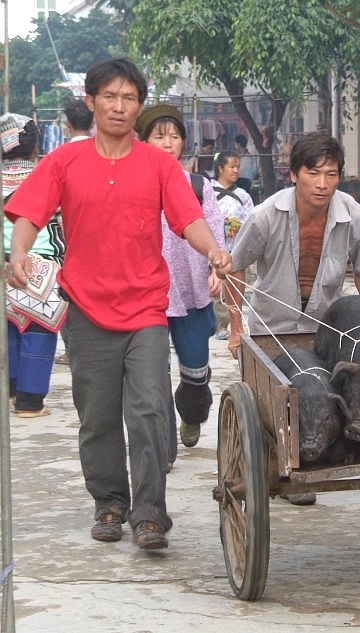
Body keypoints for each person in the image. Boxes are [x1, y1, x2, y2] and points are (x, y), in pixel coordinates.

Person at [5, 58, 231, 551]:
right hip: (86, 309)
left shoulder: (159, 165)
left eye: (129, 98)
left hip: (147, 307)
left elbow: (187, 218)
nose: (119, 106)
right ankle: (109, 502)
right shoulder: (64, 161)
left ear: (139, 106)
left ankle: (150, 515)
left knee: (150, 409)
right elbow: (29, 211)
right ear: (91, 101)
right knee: (98, 415)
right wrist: (19, 250)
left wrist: (212, 249)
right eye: (110, 96)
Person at [226, 131, 360, 505]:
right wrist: (235, 329)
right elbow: (234, 269)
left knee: (323, 398)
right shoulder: (265, 216)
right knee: (281, 402)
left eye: (331, 174)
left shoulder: (352, 214)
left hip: (325, 325)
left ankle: (314, 458)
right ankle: (285, 464)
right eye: (314, 173)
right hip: (272, 328)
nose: (323, 183)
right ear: (294, 174)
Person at [135, 104, 226, 455]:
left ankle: (191, 414)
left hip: (191, 293)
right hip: (149, 297)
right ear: (143, 141)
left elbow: (214, 233)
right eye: (159, 136)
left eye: (174, 136)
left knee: (195, 373)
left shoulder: (200, 186)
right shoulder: (133, 184)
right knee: (152, 381)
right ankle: (162, 450)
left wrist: (214, 269)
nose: (168, 142)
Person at [2, 113, 65, 417]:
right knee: (39, 332)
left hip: (5, 265)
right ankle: (30, 402)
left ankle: (12, 392)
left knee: (10, 330)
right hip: (42, 268)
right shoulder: (45, 176)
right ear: (35, 143)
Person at [55, 98, 94, 366]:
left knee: (70, 292)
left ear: (67, 124)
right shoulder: (102, 154)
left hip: (67, 235)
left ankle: (73, 350)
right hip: (99, 234)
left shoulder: (60, 157)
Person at [211, 149, 254, 340]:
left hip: (234, 249)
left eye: (238, 167)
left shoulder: (243, 195)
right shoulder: (208, 191)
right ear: (221, 168)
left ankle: (224, 325)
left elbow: (251, 220)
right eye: (232, 166)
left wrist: (238, 227)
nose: (236, 170)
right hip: (211, 249)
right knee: (214, 288)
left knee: (230, 287)